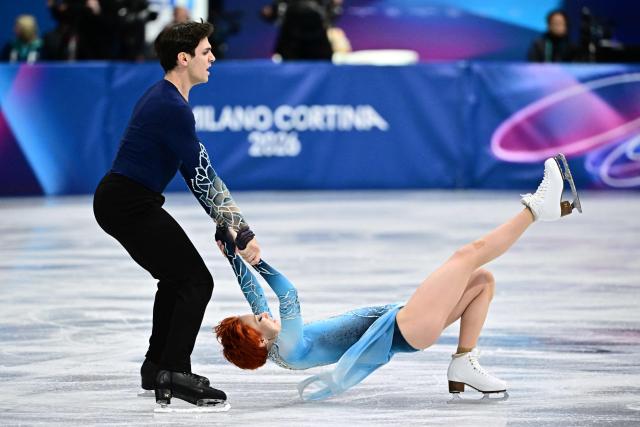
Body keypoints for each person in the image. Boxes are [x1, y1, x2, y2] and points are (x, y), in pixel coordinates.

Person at [215, 155, 582, 401]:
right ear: (259, 343)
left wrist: (234, 253)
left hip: (405, 324)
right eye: (256, 320)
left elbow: (254, 294)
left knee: (482, 280)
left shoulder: (274, 338)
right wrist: (259, 263)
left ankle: (463, 362)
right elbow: (289, 296)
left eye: (255, 313)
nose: (260, 312)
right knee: (467, 255)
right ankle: (538, 209)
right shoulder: (289, 348)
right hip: (404, 328)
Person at [93, 21, 261, 408]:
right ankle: (175, 370)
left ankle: (157, 367)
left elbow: (196, 173)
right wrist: (240, 230)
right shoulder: (170, 106)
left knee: (175, 279)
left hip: (127, 200)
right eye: (206, 52)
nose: (213, 57)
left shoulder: (167, 99)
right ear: (183, 58)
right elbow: (201, 174)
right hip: (127, 202)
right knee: (195, 281)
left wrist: (226, 224)